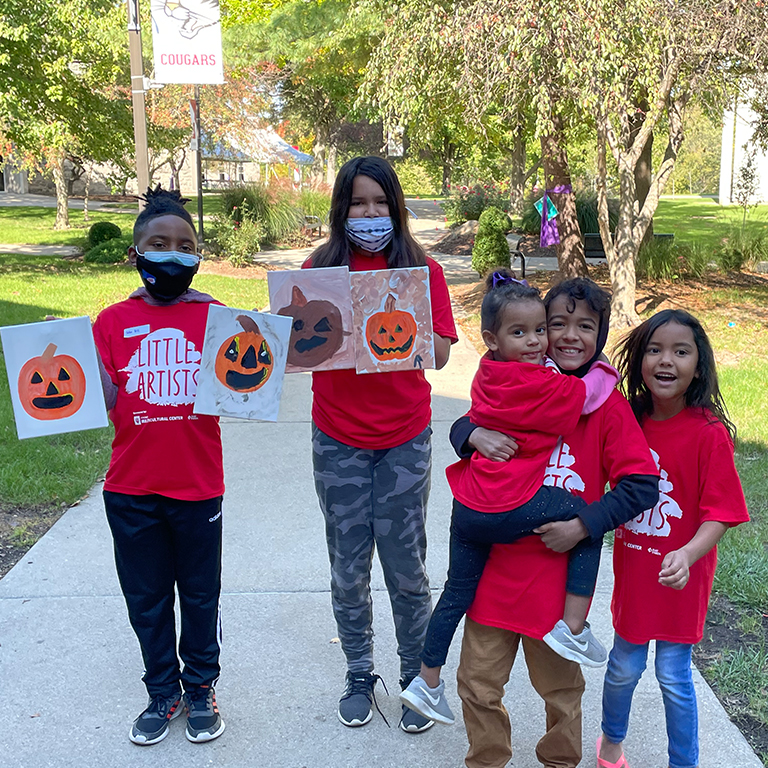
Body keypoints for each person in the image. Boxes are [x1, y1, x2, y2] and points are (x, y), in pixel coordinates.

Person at [453, 277, 659, 768]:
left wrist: (583, 527)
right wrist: (472, 432)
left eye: (584, 326)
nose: (568, 336)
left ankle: (560, 760)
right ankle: (487, 758)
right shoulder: (520, 381)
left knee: (562, 691)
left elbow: (640, 485)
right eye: (557, 324)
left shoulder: (605, 403)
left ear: (600, 335)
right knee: (476, 683)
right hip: (495, 571)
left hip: (557, 581)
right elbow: (468, 420)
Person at [400, 270, 620, 726]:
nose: (538, 342)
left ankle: (426, 681)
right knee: (586, 519)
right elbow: (590, 393)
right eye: (523, 333)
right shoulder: (543, 384)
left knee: (455, 592)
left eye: (540, 329)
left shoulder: (489, 370)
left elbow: (466, 419)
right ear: (492, 338)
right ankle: (574, 629)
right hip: (508, 505)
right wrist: (604, 367)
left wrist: (471, 431)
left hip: (468, 507)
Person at [304, 156, 458, 733]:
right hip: (337, 437)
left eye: (380, 203)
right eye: (357, 203)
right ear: (340, 209)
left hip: (404, 439)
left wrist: (414, 324)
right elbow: (301, 344)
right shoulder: (318, 269)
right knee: (347, 565)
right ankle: (358, 671)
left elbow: (441, 354)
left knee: (406, 565)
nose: (369, 214)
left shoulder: (422, 270)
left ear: (397, 208)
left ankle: (415, 677)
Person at [92, 186, 226, 746]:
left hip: (197, 487)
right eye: (159, 244)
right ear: (136, 253)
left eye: (186, 245)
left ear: (197, 255)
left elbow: (252, 379)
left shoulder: (219, 318)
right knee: (145, 598)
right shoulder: (110, 322)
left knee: (199, 596)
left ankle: (200, 688)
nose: (173, 254)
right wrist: (60, 350)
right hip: (131, 488)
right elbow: (95, 399)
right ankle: (161, 691)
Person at [597, 309, 749, 768]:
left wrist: (686, 553)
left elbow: (721, 514)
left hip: (680, 580)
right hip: (636, 577)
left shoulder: (709, 435)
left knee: (673, 675)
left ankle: (684, 762)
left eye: (681, 352)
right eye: (655, 349)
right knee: (623, 669)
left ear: (698, 366)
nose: (667, 360)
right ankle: (611, 745)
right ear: (640, 360)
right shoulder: (627, 420)